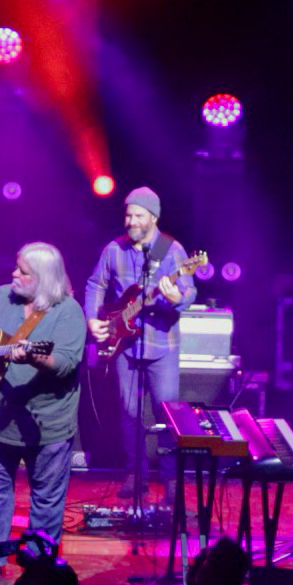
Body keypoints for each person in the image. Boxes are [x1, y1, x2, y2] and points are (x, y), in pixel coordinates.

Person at [0, 243, 88, 578]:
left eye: (23, 272)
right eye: (17, 267)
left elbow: (65, 364)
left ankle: (39, 566)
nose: (13, 274)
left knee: (46, 501)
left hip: (48, 426)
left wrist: (34, 357)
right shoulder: (3, 297)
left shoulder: (69, 312)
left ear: (43, 279)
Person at [82, 186, 196, 501]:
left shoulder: (172, 250)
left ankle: (171, 479)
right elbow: (95, 284)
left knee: (167, 414)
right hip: (125, 345)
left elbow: (189, 291)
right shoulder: (114, 249)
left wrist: (176, 298)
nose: (131, 221)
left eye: (138, 215)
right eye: (128, 215)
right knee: (129, 413)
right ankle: (136, 473)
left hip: (162, 345)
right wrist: (92, 319)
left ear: (153, 218)